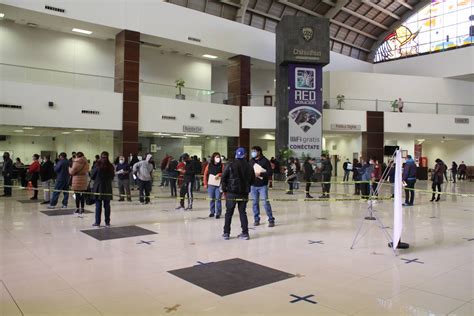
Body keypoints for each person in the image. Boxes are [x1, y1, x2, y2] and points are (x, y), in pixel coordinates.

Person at [221, 147, 255, 240]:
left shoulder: (230, 164)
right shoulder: (249, 166)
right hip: (244, 193)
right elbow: (252, 180)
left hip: (231, 193)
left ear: (236, 154)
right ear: (245, 155)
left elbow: (223, 177)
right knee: (242, 212)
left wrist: (225, 189)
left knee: (229, 213)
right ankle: (245, 233)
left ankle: (226, 233)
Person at [249, 146, 275, 227]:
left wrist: (261, 174)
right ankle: (256, 219)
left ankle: (271, 219)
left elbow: (270, 172)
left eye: (254, 151)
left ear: (259, 152)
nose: (252, 152)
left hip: (262, 185)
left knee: (265, 203)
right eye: (252, 151)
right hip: (253, 185)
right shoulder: (251, 161)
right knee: (254, 203)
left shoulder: (265, 161)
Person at [91, 151, 114, 227]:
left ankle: (97, 222)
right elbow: (112, 177)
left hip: (98, 187)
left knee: (98, 206)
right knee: (107, 206)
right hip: (107, 188)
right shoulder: (110, 166)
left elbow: (92, 176)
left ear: (101, 157)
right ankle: (107, 223)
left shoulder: (97, 165)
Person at [203, 152, 225, 218]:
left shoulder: (222, 165)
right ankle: (212, 212)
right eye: (216, 157)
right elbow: (205, 174)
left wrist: (219, 174)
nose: (217, 158)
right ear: (213, 158)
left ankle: (218, 213)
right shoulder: (209, 165)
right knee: (212, 199)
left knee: (218, 199)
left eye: (218, 157)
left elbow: (224, 173)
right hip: (211, 184)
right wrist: (205, 183)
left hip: (218, 185)